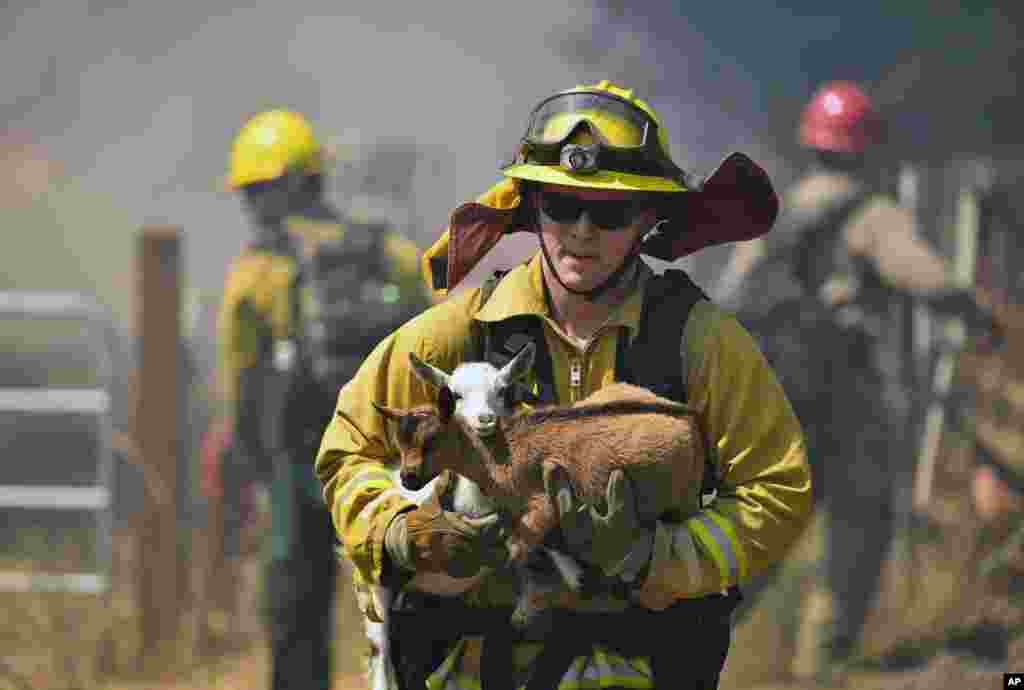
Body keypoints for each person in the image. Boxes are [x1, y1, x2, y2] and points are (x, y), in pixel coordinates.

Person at [316, 80, 812, 690]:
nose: (581, 230)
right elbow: (348, 449)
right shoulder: (461, 330)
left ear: (647, 217)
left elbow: (778, 488)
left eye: (608, 211)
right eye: (560, 204)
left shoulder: (701, 342)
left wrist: (660, 558)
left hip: (642, 662)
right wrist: (399, 531)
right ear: (531, 207)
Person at [714, 80, 1002, 684]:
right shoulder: (870, 213)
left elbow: (732, 298)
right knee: (859, 523)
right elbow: (923, 277)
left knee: (770, 528)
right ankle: (824, 662)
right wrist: (975, 311)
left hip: (775, 397)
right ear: (866, 147)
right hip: (846, 397)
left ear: (811, 143)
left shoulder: (780, 214)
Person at [218, 109, 430, 690]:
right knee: (403, 601)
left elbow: (239, 370)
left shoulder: (258, 272)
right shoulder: (389, 252)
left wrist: (249, 455)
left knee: (296, 607)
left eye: (251, 194)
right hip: (384, 453)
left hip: (298, 456)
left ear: (269, 192)